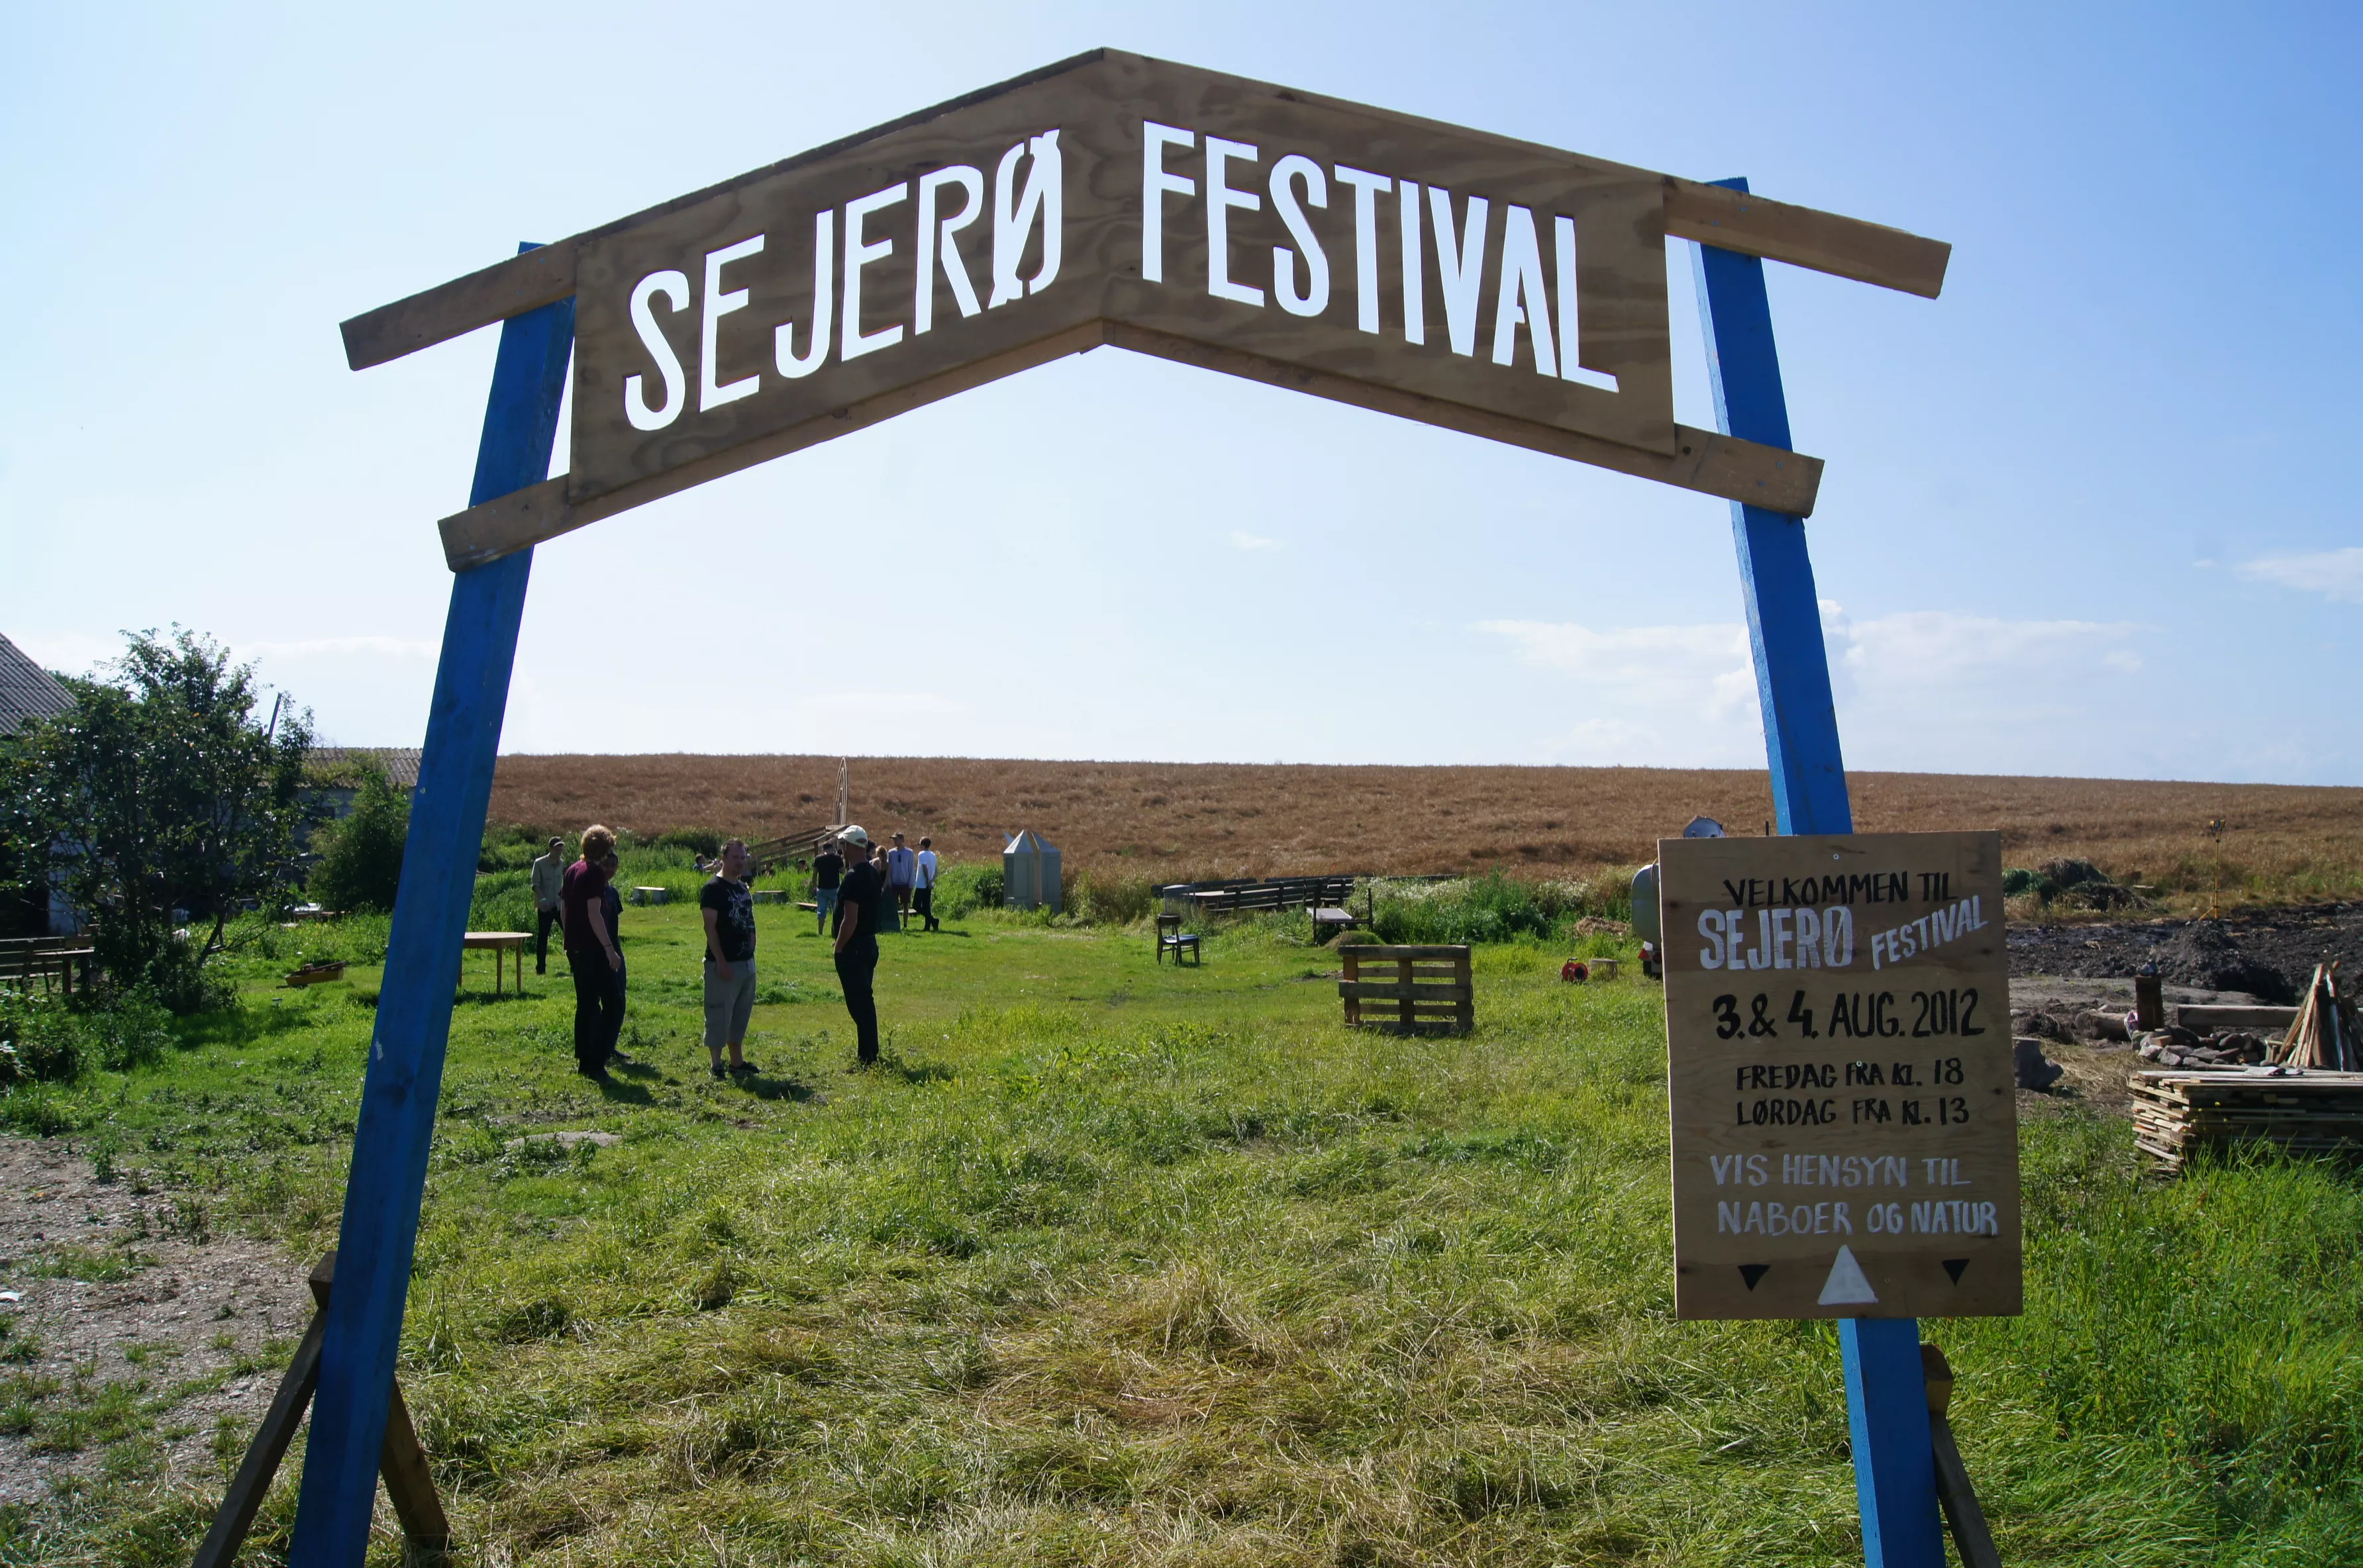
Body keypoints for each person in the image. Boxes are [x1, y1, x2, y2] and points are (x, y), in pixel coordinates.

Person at [560, 825, 623, 1081]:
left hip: (575, 948)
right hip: (593, 949)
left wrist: (568, 938)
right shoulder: (595, 873)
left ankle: (584, 1061)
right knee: (614, 1005)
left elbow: (564, 906)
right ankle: (598, 1061)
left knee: (586, 1004)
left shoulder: (573, 869)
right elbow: (594, 913)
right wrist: (610, 949)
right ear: (605, 849)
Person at [701, 838, 760, 1079]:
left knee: (739, 1015)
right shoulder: (713, 889)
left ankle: (737, 1062)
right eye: (735, 857)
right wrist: (721, 961)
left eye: (743, 857)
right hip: (723, 964)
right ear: (723, 859)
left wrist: (752, 947)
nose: (740, 862)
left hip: (746, 962)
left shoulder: (742, 888)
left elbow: (749, 921)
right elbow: (710, 927)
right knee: (719, 1013)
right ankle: (717, 1065)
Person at [832, 825, 884, 1066]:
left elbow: (850, 918)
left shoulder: (854, 877)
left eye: (844, 845)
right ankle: (868, 1052)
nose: (842, 850)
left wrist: (839, 946)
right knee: (865, 1000)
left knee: (859, 1004)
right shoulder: (872, 872)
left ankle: (868, 1057)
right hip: (869, 944)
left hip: (853, 947)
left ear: (852, 847)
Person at [597, 848, 634, 1066]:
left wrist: (616, 951)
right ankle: (599, 1046)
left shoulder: (613, 892)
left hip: (616, 950)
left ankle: (609, 1045)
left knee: (620, 1001)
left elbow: (614, 925)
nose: (609, 870)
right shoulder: (593, 892)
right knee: (606, 1003)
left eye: (613, 866)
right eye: (605, 865)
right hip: (599, 952)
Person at [530, 836, 566, 975]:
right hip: (545, 906)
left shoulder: (562, 864)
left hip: (558, 905)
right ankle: (541, 969)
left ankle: (575, 965)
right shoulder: (539, 863)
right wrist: (543, 901)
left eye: (561, 849)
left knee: (569, 933)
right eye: (557, 849)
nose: (559, 852)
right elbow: (535, 885)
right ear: (550, 849)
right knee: (543, 937)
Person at [811, 838, 844, 936]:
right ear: (832, 848)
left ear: (823, 849)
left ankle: (820, 933)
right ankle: (836, 932)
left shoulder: (818, 859)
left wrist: (814, 887)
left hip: (822, 889)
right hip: (835, 888)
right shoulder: (838, 858)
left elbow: (814, 874)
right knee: (837, 912)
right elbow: (843, 871)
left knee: (821, 911)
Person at [884, 832, 917, 929]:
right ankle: (894, 924)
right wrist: (889, 882)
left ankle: (905, 925)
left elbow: (911, 868)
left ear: (902, 840)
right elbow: (889, 868)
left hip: (905, 882)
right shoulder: (891, 853)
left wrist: (911, 883)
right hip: (894, 883)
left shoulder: (909, 853)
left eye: (896, 839)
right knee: (893, 905)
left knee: (906, 905)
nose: (894, 841)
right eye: (893, 840)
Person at [914, 836, 940, 932]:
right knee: (926, 906)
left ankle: (933, 920)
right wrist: (932, 880)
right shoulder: (933, 855)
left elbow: (924, 868)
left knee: (916, 905)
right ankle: (928, 926)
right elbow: (936, 869)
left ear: (923, 845)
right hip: (929, 884)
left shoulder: (921, 854)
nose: (919, 846)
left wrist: (928, 880)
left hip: (922, 884)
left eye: (920, 844)